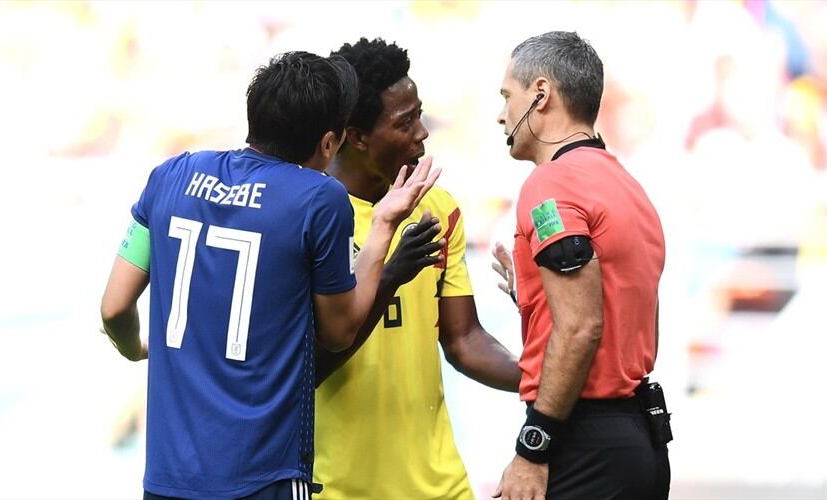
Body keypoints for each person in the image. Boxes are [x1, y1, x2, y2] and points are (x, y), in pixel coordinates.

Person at [99, 51, 440, 500]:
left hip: (169, 479)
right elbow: (339, 332)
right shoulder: (320, 199)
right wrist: (383, 227)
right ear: (328, 143)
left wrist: (133, 347)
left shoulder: (170, 175)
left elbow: (114, 307)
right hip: (264, 476)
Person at [314, 38, 521, 500]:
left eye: (420, 114)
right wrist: (388, 277)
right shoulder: (308, 217)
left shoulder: (438, 208)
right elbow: (307, 365)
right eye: (404, 122)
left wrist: (548, 383)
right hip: (338, 488)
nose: (422, 132)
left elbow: (464, 339)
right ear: (357, 136)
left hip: (439, 486)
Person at [492, 32, 670, 500]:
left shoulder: (551, 185)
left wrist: (534, 446)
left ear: (541, 95)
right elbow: (613, 308)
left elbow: (580, 327)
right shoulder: (627, 185)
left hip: (582, 442)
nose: (501, 114)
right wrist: (528, 295)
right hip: (638, 442)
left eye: (507, 96)